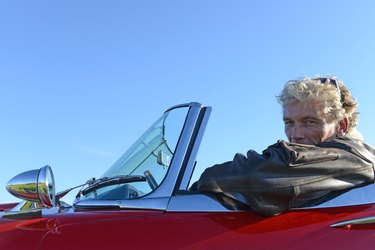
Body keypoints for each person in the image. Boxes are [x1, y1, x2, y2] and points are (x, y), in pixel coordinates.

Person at [191, 77, 375, 216]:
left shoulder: (354, 155)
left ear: (341, 125)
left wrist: (202, 183)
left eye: (310, 122)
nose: (295, 134)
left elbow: (255, 174)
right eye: (289, 122)